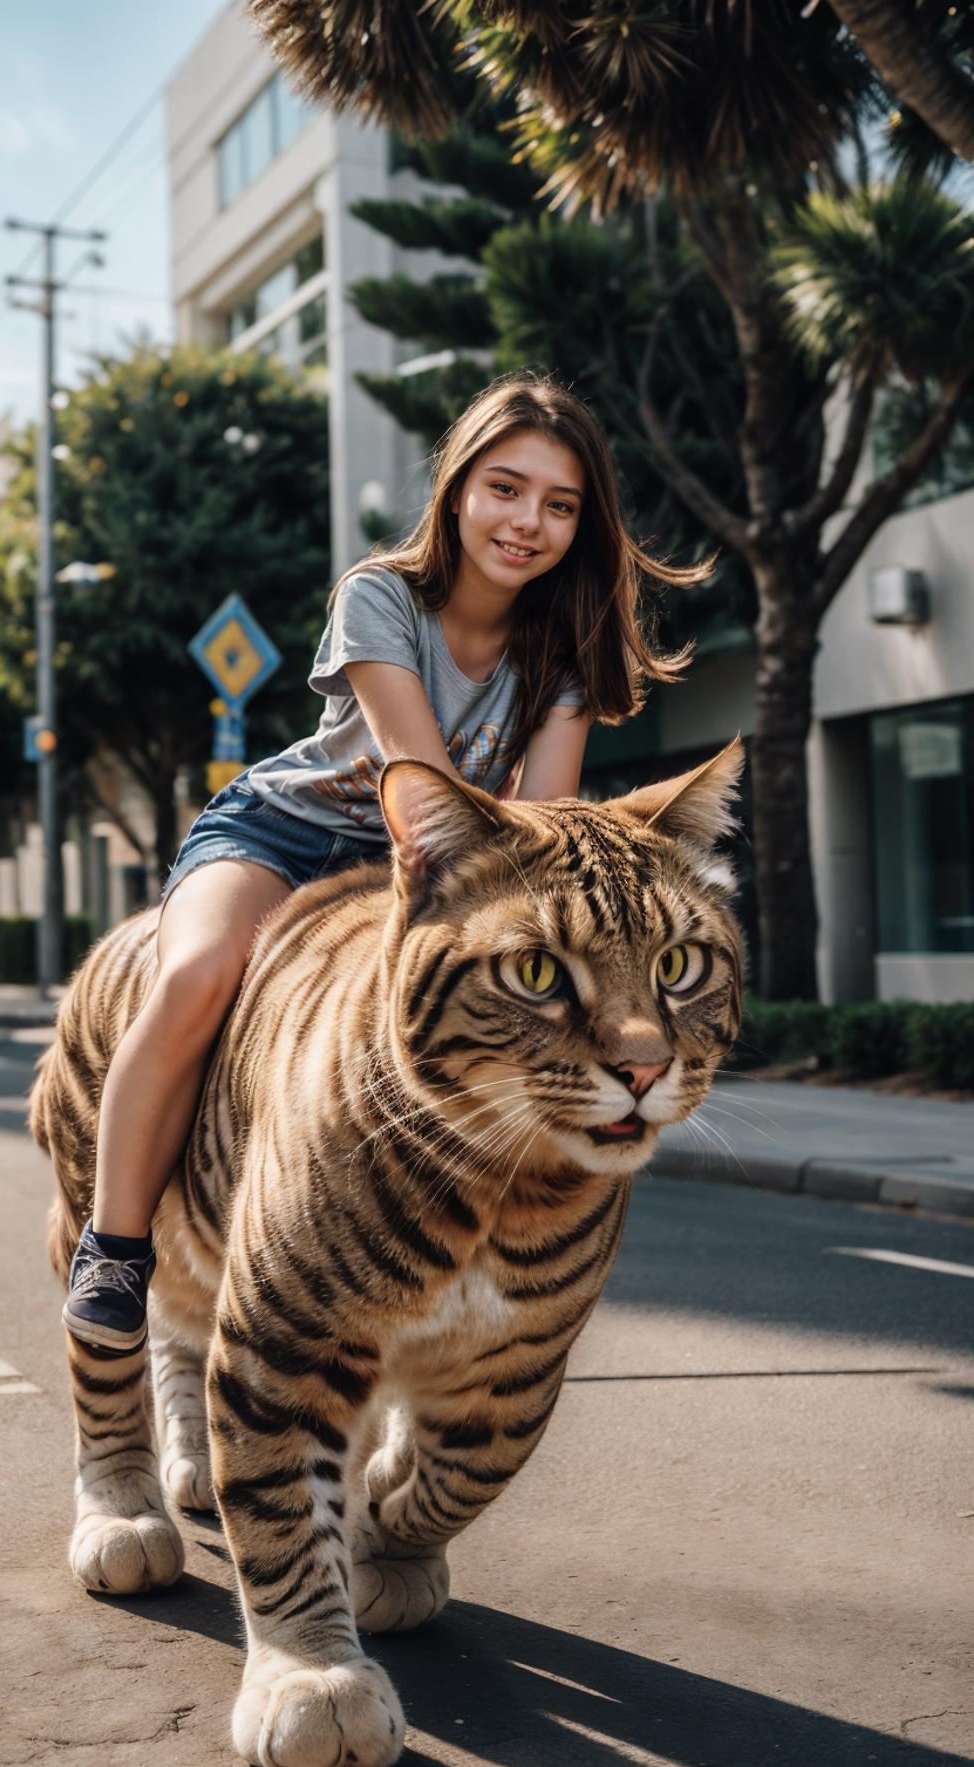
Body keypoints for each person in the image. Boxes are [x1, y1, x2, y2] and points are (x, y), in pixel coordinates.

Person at [62, 372, 708, 1352]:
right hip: (295, 834)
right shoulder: (380, 597)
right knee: (197, 975)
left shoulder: (565, 649)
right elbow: (424, 790)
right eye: (505, 487)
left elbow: (537, 831)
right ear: (456, 491)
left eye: (560, 504)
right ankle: (112, 1245)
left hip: (450, 866)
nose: (527, 519)